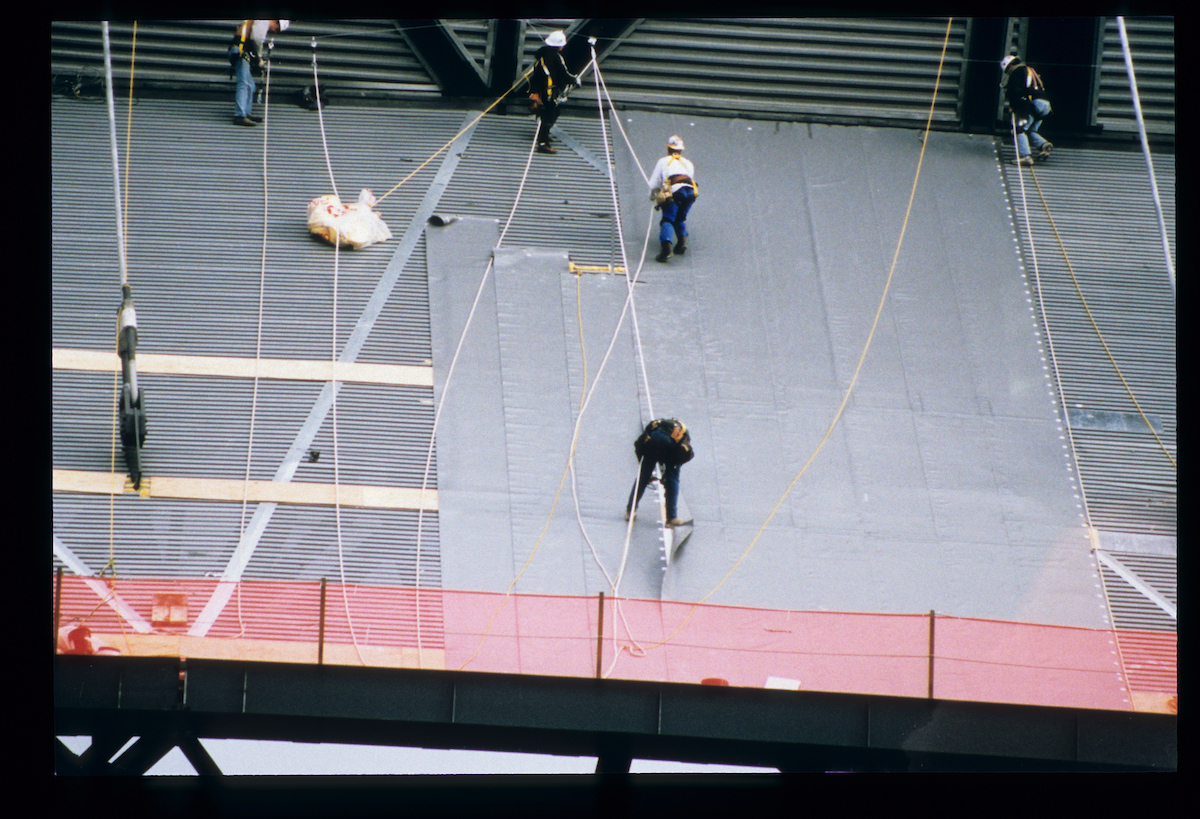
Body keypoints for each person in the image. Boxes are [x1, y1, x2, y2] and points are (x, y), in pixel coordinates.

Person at [626, 418, 694, 526]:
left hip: (652, 442)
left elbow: (638, 447)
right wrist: (668, 476)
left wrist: (646, 471)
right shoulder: (684, 436)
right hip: (670, 445)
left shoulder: (653, 427)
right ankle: (671, 518)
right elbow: (684, 455)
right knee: (673, 480)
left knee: (642, 478)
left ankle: (630, 511)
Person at [228, 20, 289, 126]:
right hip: (241, 51)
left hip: (240, 50)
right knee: (244, 83)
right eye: (276, 28)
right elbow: (257, 38)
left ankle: (246, 113)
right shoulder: (263, 20)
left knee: (250, 84)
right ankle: (240, 116)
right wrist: (258, 59)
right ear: (276, 21)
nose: (274, 31)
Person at [648, 136, 698, 262]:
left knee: (667, 219)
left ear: (668, 148)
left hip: (675, 191)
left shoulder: (663, 161)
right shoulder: (688, 163)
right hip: (690, 192)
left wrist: (652, 196)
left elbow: (654, 184)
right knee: (679, 218)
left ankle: (666, 250)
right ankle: (682, 242)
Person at [529, 30, 578, 154]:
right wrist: (574, 80)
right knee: (550, 115)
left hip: (543, 90)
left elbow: (536, 77)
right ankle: (543, 143)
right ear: (558, 45)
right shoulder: (556, 58)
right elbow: (563, 73)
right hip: (549, 91)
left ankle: (544, 133)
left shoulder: (541, 57)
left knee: (551, 113)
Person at [1000, 54, 1052, 166]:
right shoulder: (1030, 70)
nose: (1008, 73)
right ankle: (1043, 145)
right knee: (1030, 129)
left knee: (1018, 129)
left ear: (1009, 65)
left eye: (1007, 70)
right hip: (1045, 104)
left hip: (1032, 103)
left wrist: (1016, 109)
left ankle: (1025, 156)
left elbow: (1016, 92)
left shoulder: (1016, 72)